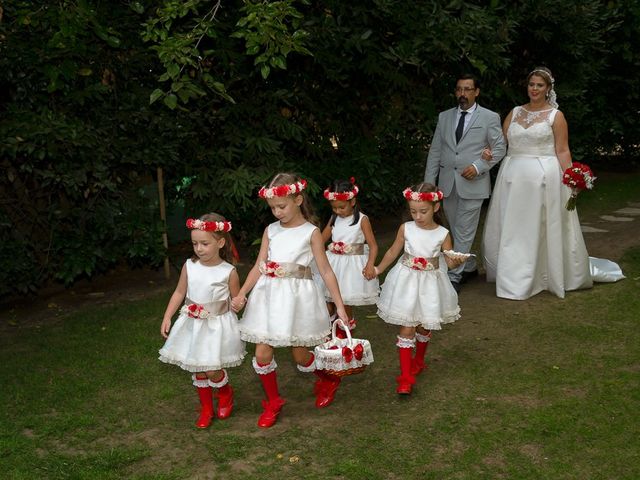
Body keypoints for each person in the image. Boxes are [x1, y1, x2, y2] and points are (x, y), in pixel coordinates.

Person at [482, 67, 624, 300]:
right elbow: (501, 144)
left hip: (543, 178)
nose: (534, 89)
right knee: (514, 225)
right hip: (512, 178)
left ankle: (542, 273)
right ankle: (513, 273)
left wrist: (571, 178)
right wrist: (488, 155)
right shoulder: (515, 112)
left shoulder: (555, 116)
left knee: (539, 225)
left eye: (539, 85)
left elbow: (562, 149)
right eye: (531, 85)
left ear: (548, 89)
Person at [231, 173, 350, 428]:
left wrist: (339, 306)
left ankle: (328, 378)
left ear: (298, 199)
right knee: (262, 352)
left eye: (281, 206)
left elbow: (326, 270)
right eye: (272, 207)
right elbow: (258, 266)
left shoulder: (311, 233)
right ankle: (273, 401)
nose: (277, 212)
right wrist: (242, 293)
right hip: (268, 296)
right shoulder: (270, 231)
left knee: (300, 357)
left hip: (297, 300)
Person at [374, 183, 466, 395]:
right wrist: (379, 268)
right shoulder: (406, 228)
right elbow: (392, 251)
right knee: (407, 326)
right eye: (413, 211)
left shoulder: (442, 234)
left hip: (430, 285)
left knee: (425, 326)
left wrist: (457, 261)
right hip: (406, 283)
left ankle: (419, 360)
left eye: (423, 211)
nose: (417, 216)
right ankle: (405, 377)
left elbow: (450, 262)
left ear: (435, 207)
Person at [159, 213, 246, 429]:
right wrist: (168, 315)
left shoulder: (228, 272)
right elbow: (180, 292)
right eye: (195, 243)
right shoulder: (190, 266)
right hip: (192, 324)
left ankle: (224, 391)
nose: (199, 248)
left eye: (204, 243)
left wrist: (238, 304)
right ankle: (206, 408)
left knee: (212, 370)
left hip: (216, 327)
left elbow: (236, 300)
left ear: (220, 242)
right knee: (198, 368)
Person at [424, 73, 506, 292]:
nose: (463, 94)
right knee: (453, 227)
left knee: (464, 231)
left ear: (476, 92)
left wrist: (479, 166)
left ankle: (453, 276)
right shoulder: (444, 117)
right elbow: (436, 151)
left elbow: (499, 149)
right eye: (459, 89)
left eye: (468, 89)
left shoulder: (489, 117)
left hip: (474, 184)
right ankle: (468, 266)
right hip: (447, 184)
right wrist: (429, 185)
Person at [320, 178, 379, 338]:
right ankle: (331, 332)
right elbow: (320, 240)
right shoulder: (334, 218)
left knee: (344, 301)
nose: (338, 211)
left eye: (341, 207)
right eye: (334, 207)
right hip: (333, 264)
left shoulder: (362, 220)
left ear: (352, 201)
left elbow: (373, 246)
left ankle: (344, 334)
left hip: (351, 268)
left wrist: (370, 264)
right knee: (329, 301)